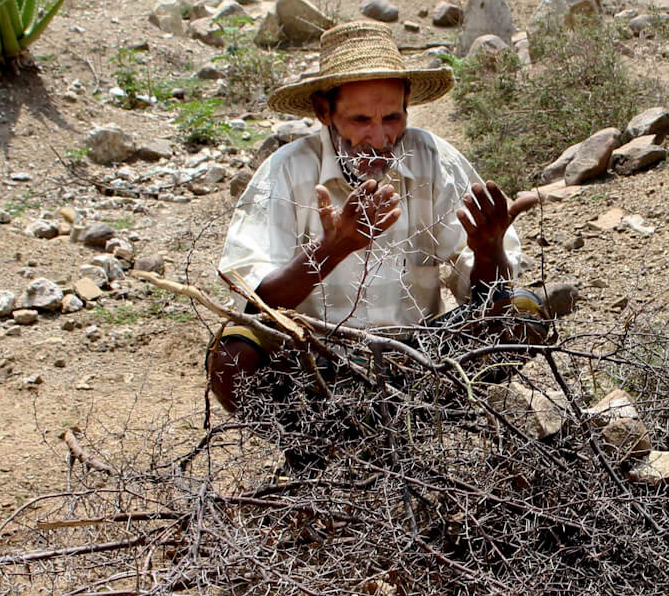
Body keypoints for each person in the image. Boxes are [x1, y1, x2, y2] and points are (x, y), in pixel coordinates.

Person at [212, 21, 545, 415]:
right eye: (360, 121)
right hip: (316, 366)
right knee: (233, 354)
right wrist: (334, 249)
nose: (380, 137)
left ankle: (419, 431)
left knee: (522, 313)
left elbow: (489, 295)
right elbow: (254, 300)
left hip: (422, 360)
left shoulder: (433, 160)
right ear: (324, 112)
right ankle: (315, 452)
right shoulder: (287, 171)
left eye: (391, 118)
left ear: (407, 108)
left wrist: (488, 251)